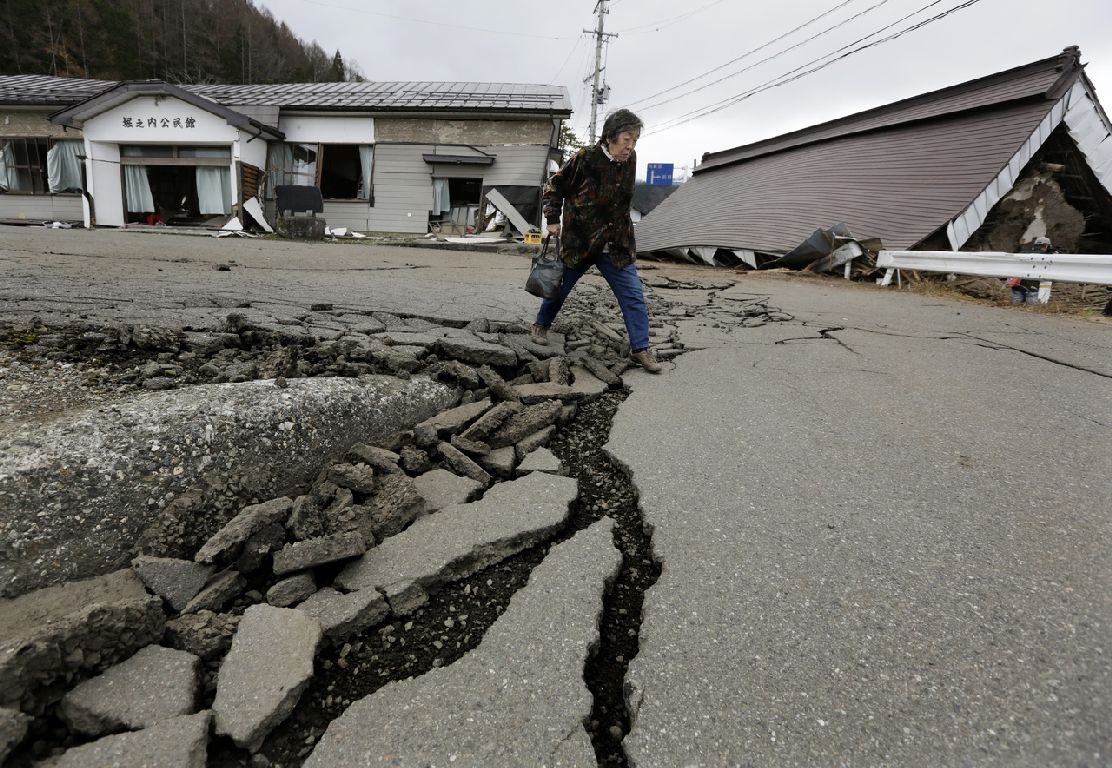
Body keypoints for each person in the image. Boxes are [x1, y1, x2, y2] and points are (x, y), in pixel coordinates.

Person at [530, 108, 661, 373]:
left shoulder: (630, 159)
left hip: (615, 244)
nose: (631, 146)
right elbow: (554, 186)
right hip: (581, 241)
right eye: (627, 139)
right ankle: (541, 325)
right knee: (559, 289)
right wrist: (552, 218)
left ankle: (640, 349)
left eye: (635, 140)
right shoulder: (585, 158)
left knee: (634, 296)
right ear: (610, 136)